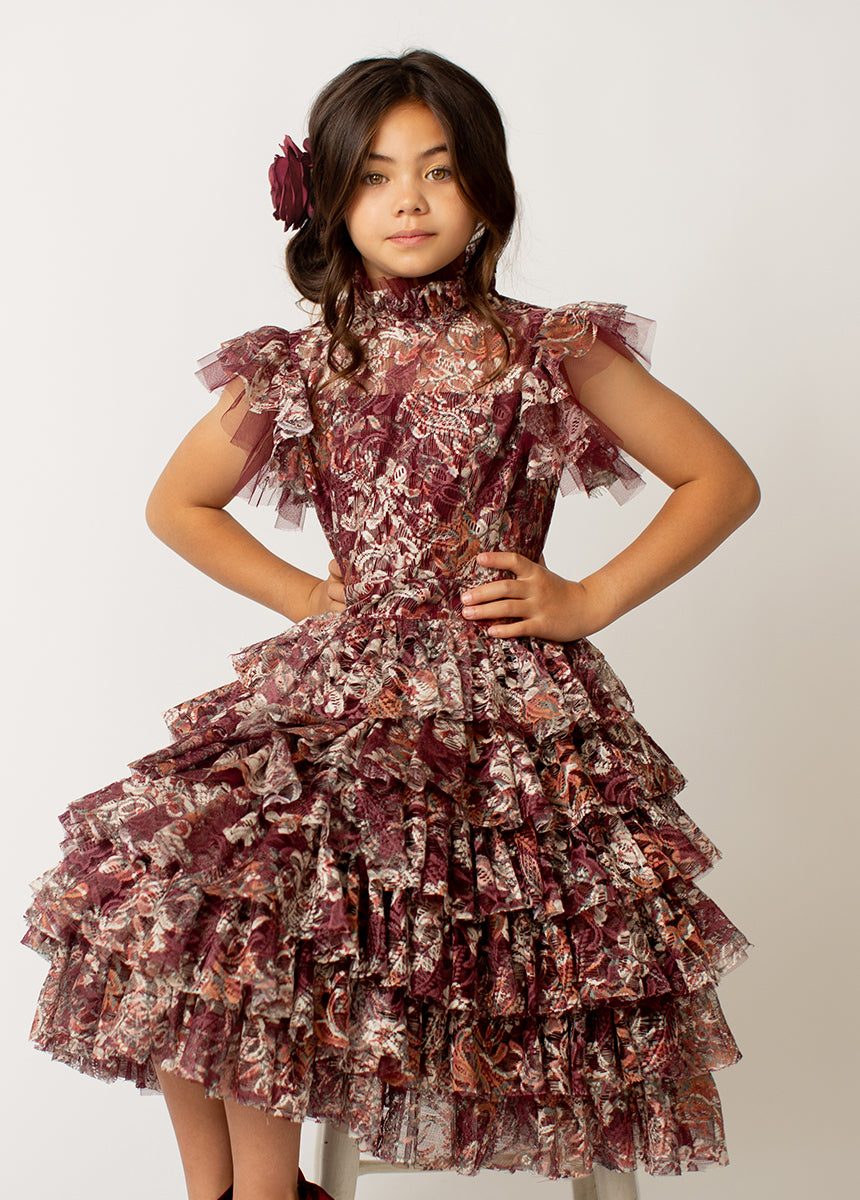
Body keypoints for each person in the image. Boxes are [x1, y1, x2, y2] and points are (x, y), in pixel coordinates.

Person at [22, 49, 760, 1200]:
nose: (407, 200)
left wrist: (586, 599)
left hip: (493, 721)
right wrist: (307, 597)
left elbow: (719, 479)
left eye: (436, 170)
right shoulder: (302, 363)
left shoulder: (544, 348)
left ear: (485, 192)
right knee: (175, 883)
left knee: (267, 897)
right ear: (328, 200)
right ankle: (235, 1193)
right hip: (338, 691)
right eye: (373, 176)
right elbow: (177, 504)